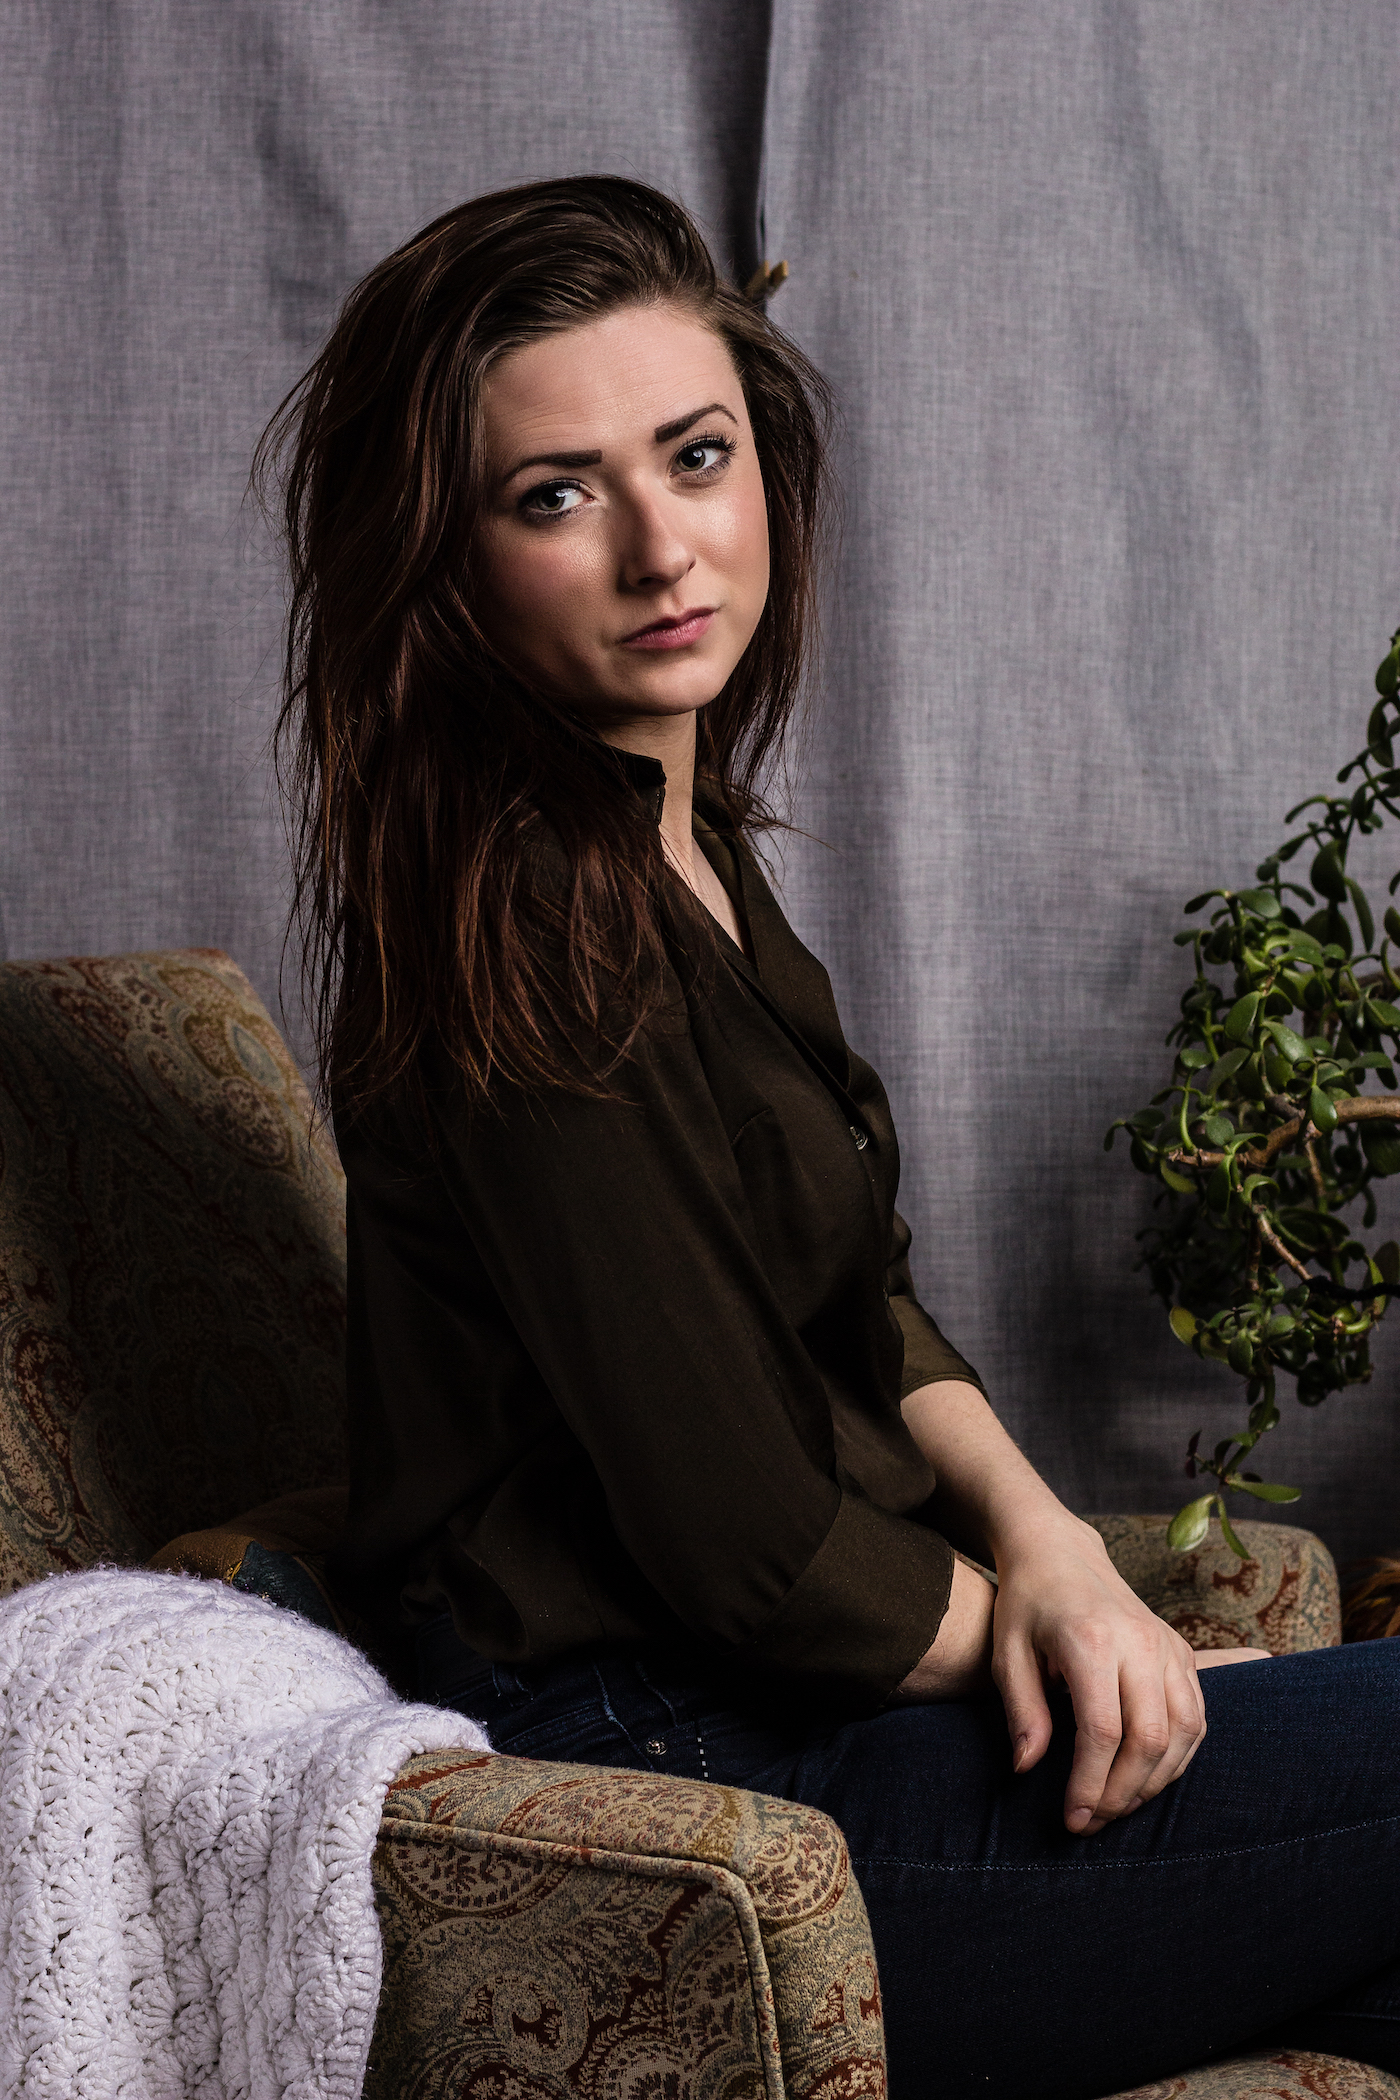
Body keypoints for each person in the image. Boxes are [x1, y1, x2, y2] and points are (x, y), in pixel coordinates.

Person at [262, 177, 1400, 2098]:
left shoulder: (673, 843)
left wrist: (1058, 1552)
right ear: (442, 562)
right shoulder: (528, 929)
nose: (661, 546)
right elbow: (753, 1546)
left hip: (817, 1703)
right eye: (556, 495)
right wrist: (1101, 1661)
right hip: (696, 1790)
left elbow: (862, 1295)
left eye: (695, 456)